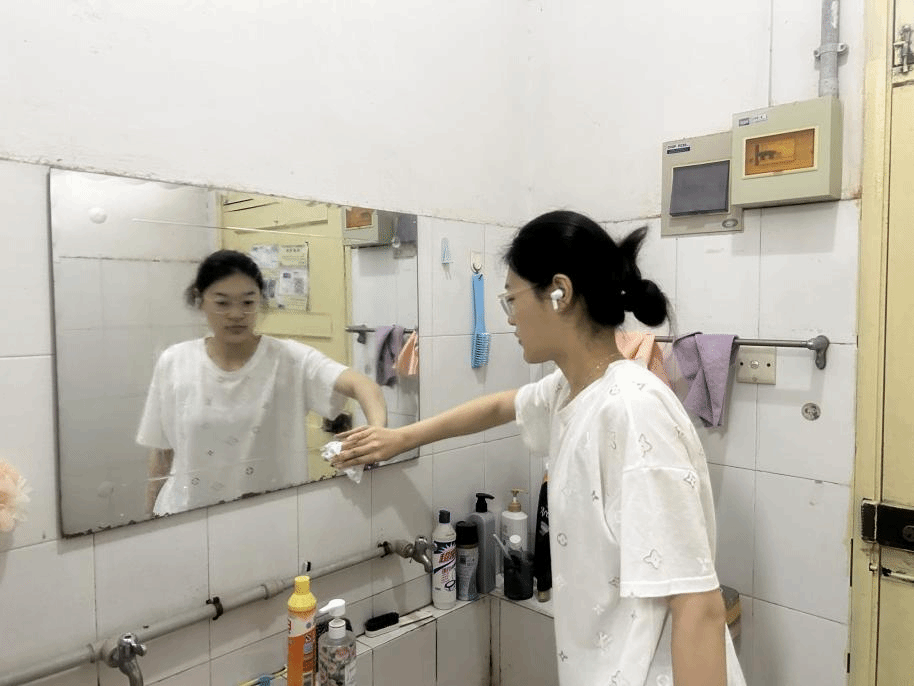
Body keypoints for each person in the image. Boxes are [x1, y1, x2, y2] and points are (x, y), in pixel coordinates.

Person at [332, 211, 746, 686]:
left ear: (559, 293)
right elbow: (500, 406)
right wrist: (401, 438)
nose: (509, 318)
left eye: (512, 299)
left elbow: (699, 608)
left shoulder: (633, 411)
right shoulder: (571, 390)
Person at [138, 249, 387, 516]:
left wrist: (377, 433)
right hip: (184, 518)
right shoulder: (175, 361)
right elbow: (162, 450)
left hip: (271, 519)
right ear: (201, 301)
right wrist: (149, 517)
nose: (236, 314)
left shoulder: (290, 359)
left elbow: (363, 386)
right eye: (222, 303)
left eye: (248, 302)